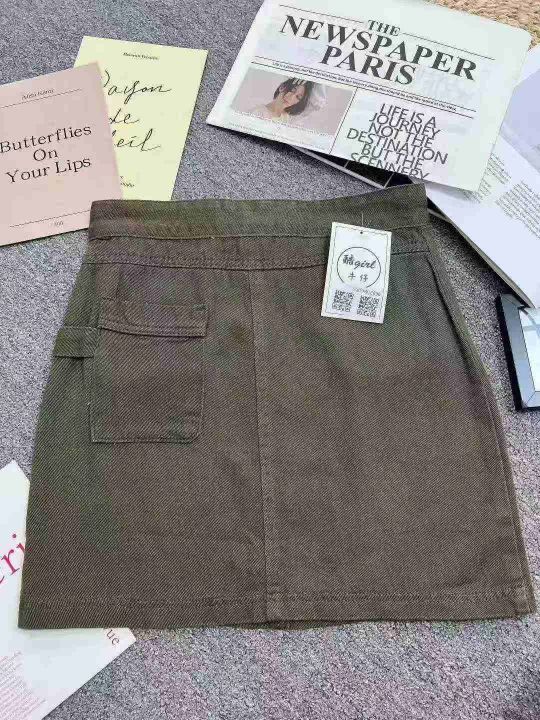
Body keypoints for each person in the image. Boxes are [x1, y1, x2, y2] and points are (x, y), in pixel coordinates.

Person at [249, 77, 314, 122]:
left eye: (298, 97)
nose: (291, 98)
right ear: (282, 87)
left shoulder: (286, 117)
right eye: (292, 90)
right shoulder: (257, 113)